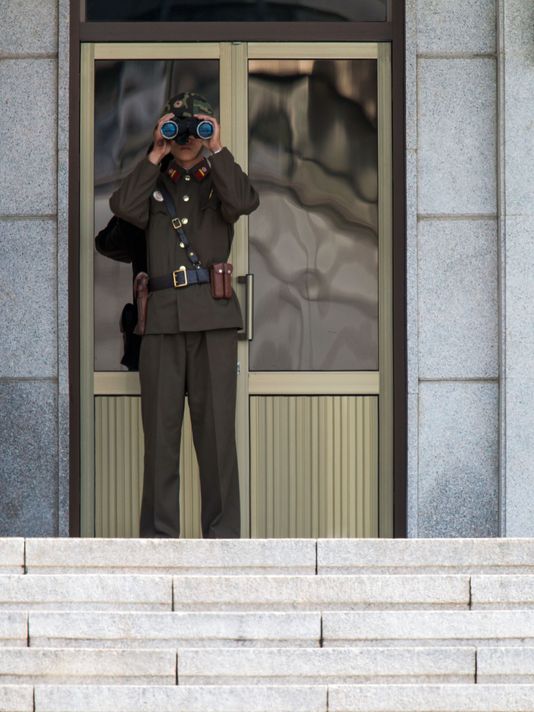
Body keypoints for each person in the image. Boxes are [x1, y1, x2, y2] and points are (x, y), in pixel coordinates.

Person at [109, 91, 260, 538]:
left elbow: (246, 201)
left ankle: (222, 539)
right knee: (160, 441)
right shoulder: (156, 182)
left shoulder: (220, 182)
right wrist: (154, 152)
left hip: (212, 322)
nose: (187, 138)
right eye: (179, 129)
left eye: (196, 128)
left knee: (216, 442)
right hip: (160, 325)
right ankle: (158, 540)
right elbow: (123, 208)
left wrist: (217, 148)